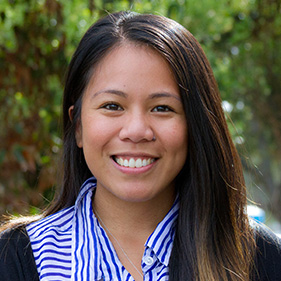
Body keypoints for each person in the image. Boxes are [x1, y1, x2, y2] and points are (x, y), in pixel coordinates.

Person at [0, 11, 281, 281]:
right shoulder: (15, 258)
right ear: (78, 127)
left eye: (162, 108)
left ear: (195, 126)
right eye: (112, 106)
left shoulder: (260, 258)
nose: (136, 131)